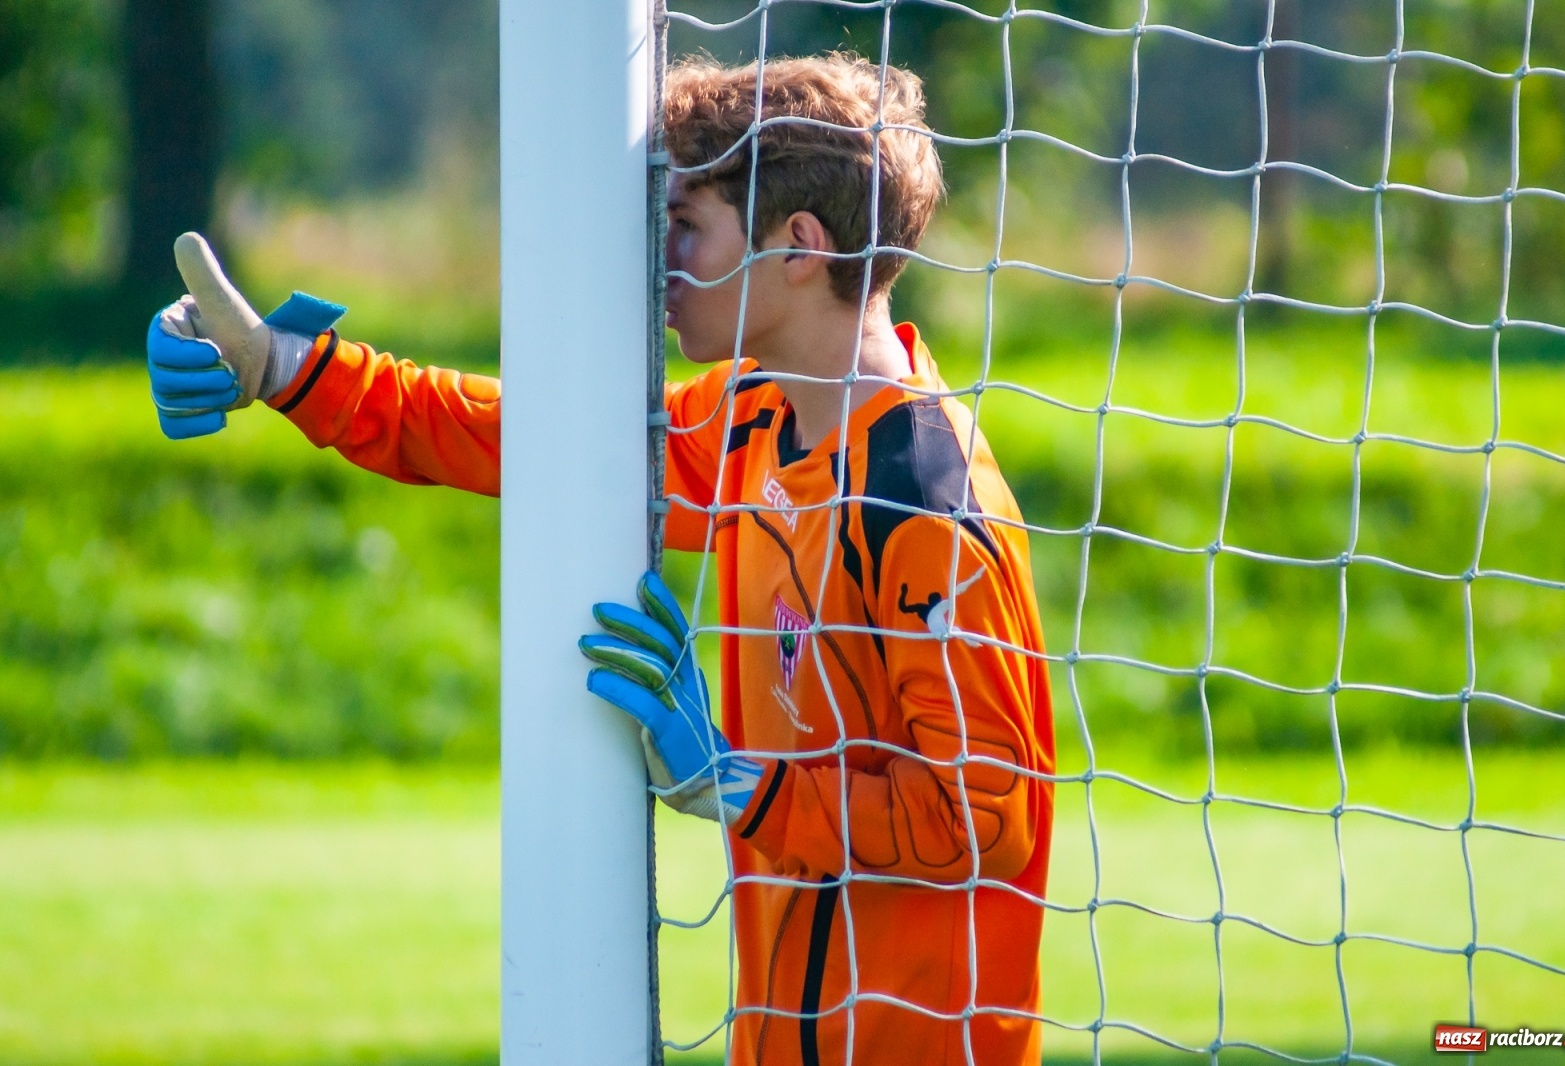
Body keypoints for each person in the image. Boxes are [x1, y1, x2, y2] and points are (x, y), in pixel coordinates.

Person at [146, 53, 1055, 1066]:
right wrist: (285, 368)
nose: (657, 257)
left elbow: (987, 822)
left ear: (798, 244)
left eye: (687, 226)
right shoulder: (756, 417)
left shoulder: (922, 499)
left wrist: (734, 782)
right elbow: (544, 441)